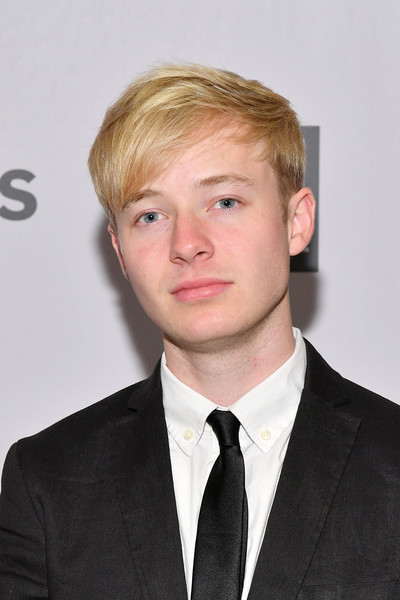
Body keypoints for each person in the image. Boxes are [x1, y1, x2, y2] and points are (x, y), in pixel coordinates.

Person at [1, 63, 399, 600]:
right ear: (120, 252)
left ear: (296, 222)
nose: (187, 243)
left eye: (225, 202)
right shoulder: (45, 478)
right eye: (150, 216)